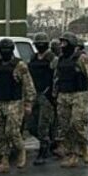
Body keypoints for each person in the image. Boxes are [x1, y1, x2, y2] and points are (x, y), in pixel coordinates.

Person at [0, 38, 35, 174]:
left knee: (12, 131)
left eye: (7, 49)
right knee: (1, 134)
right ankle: (4, 161)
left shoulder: (20, 66)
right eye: (2, 49)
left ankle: (21, 150)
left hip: (14, 103)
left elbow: (28, 86)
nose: (5, 52)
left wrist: (28, 103)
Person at [53, 33, 88, 168]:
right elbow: (57, 77)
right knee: (65, 126)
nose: (62, 46)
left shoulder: (81, 58)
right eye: (60, 43)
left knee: (77, 122)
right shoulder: (60, 59)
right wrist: (55, 92)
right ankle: (72, 154)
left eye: (65, 43)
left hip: (79, 94)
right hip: (63, 95)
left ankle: (84, 146)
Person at [28, 32, 57, 165]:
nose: (40, 46)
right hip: (34, 94)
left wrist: (51, 93)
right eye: (37, 44)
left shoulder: (52, 58)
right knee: (31, 125)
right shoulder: (33, 58)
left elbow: (56, 78)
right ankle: (49, 142)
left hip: (47, 96)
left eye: (42, 44)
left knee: (43, 125)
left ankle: (43, 150)